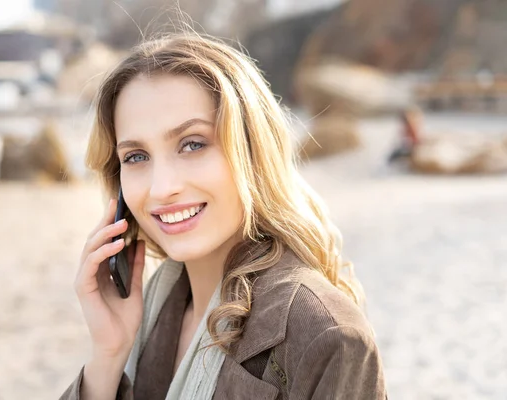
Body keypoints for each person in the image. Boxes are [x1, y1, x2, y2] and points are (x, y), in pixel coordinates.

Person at [60, 31, 387, 400]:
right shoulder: (155, 309)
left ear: (251, 152)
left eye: (192, 144)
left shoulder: (326, 335)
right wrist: (107, 358)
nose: (161, 187)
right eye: (136, 156)